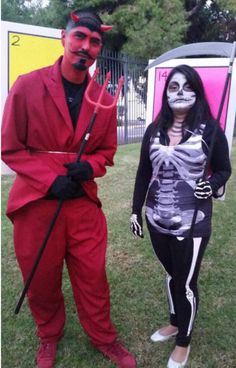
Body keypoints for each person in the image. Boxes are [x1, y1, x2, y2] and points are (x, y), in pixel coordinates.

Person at [1, 9, 137, 368]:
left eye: (94, 42)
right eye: (80, 37)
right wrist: (49, 179)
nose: (86, 47)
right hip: (36, 203)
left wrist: (88, 166)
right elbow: (10, 147)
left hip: (81, 202)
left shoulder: (104, 99)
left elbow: (105, 152)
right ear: (63, 38)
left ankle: (104, 337)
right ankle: (48, 335)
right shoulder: (27, 85)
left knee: (93, 276)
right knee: (42, 278)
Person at [130, 64, 231, 368]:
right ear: (166, 92)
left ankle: (183, 342)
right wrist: (136, 210)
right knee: (172, 275)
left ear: (197, 92)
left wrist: (211, 185)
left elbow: (224, 169)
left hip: (193, 221)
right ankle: (176, 322)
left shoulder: (210, 130)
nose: (180, 92)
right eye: (173, 87)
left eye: (188, 87)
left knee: (185, 282)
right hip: (156, 217)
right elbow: (143, 173)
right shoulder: (154, 129)